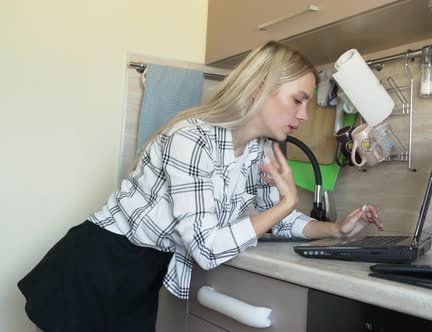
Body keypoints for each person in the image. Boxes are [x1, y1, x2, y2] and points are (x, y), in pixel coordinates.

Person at [17, 41, 383, 332]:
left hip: (140, 276)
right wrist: (283, 204)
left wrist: (335, 229)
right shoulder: (192, 139)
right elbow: (208, 248)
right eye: (297, 100)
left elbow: (278, 220)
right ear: (258, 90)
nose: (303, 115)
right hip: (97, 266)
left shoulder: (258, 153)